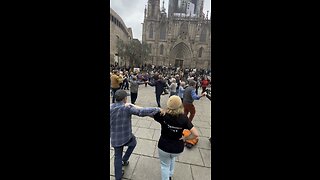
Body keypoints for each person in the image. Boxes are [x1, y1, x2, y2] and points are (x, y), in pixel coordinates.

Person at [110, 90, 161, 180]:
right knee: (133, 143)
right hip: (127, 137)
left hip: (115, 138)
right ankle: (125, 159)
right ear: (124, 99)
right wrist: (157, 109)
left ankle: (118, 177)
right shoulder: (127, 108)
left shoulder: (110, 107)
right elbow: (141, 111)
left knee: (117, 156)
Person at [152, 95, 199, 180]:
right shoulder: (184, 118)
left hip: (164, 146)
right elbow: (195, 134)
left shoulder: (163, 115)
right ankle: (170, 174)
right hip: (177, 148)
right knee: (172, 158)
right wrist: (185, 138)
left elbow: (148, 113)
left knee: (164, 165)